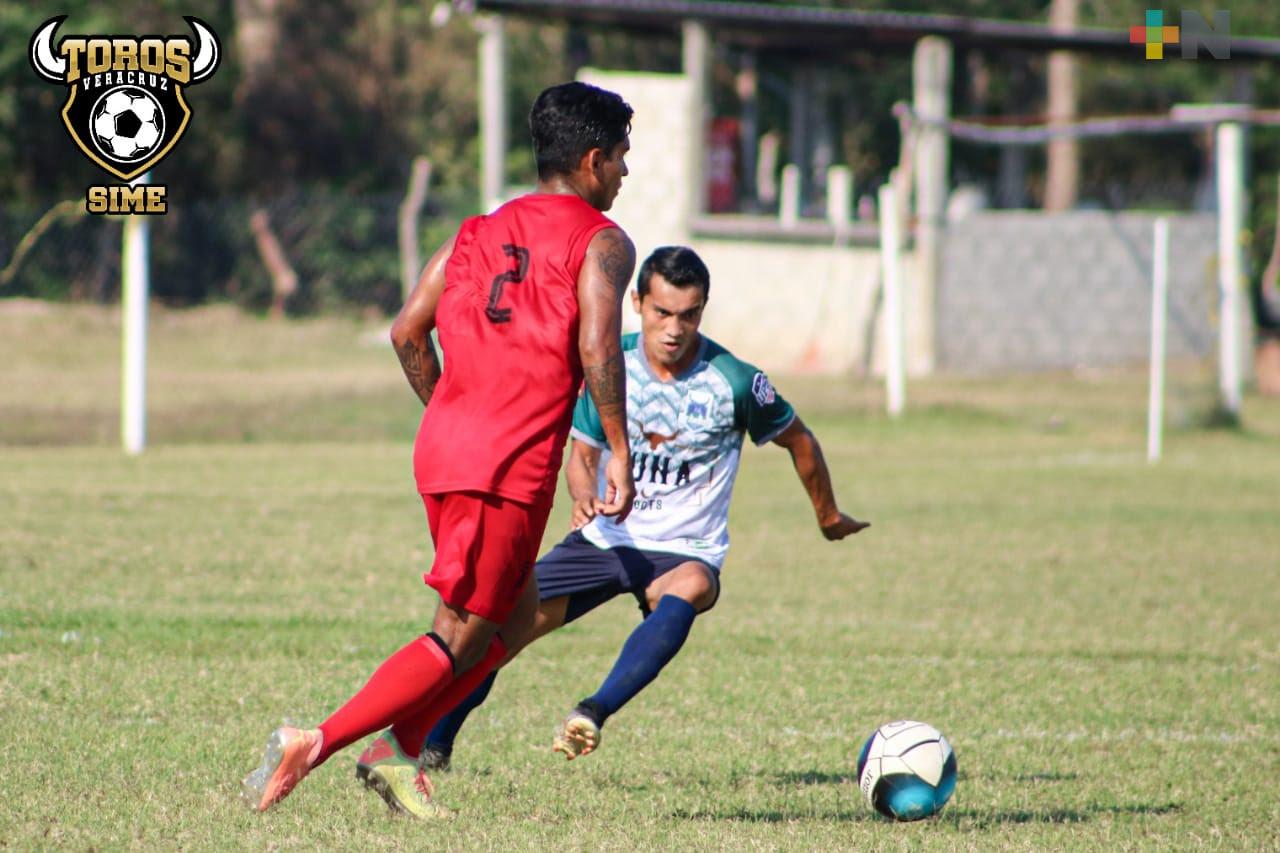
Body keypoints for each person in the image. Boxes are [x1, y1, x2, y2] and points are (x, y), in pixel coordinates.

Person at [240, 81, 638, 819]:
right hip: (505, 467)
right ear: (590, 160)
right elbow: (597, 345)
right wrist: (617, 446)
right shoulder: (601, 240)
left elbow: (405, 332)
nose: (623, 173)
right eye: (620, 157)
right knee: (456, 632)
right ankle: (320, 741)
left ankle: (402, 746)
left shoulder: (474, 231)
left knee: (517, 617)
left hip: (449, 449)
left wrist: (453, 412)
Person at [392, 245, 869, 776]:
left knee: (691, 587)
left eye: (688, 315)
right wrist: (582, 496)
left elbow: (799, 440)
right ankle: (433, 746)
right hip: (605, 538)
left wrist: (827, 514)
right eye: (662, 312)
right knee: (501, 629)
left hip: (684, 549)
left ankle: (593, 711)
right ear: (638, 302)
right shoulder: (606, 364)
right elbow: (583, 456)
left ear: (702, 312)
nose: (674, 328)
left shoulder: (734, 381)